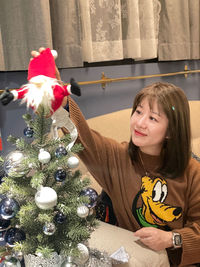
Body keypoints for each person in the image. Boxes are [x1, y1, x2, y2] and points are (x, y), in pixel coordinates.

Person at [31, 48, 200, 267]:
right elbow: (85, 139)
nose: (139, 123)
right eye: (138, 112)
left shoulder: (192, 172)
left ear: (170, 132)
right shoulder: (118, 157)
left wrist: (171, 239)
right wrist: (60, 98)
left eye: (153, 118)